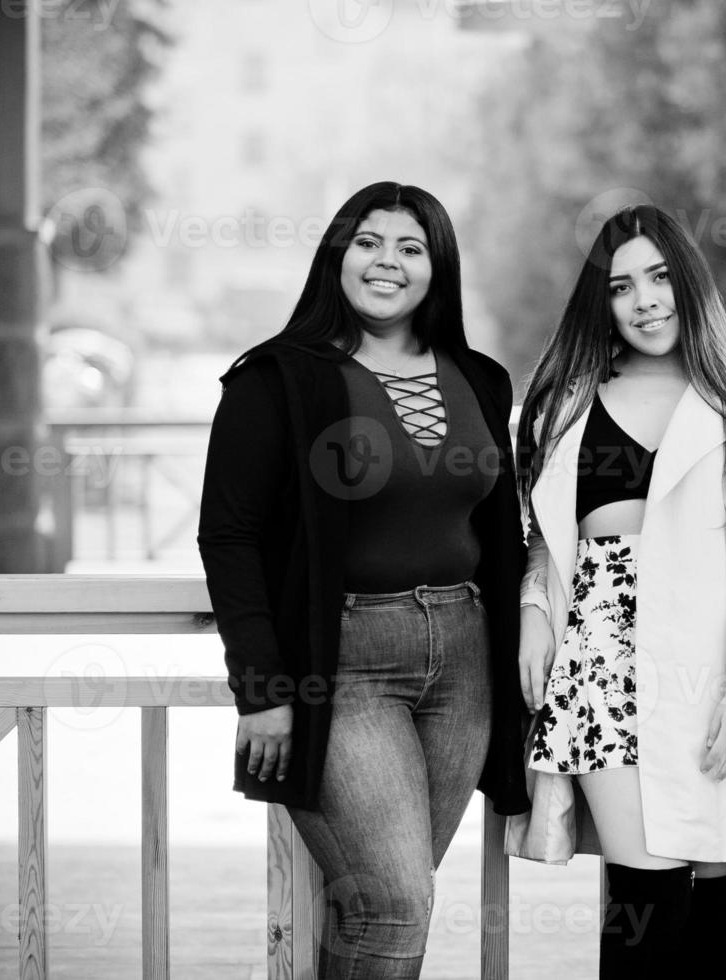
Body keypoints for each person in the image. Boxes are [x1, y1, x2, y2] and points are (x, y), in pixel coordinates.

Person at [197, 181, 528, 979]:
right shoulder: (277, 380)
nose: (388, 262)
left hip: (464, 660)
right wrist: (264, 690)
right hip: (341, 665)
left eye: (411, 248)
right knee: (393, 905)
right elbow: (229, 537)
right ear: (337, 257)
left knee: (384, 905)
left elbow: (502, 528)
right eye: (369, 242)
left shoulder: (479, 377)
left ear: (436, 268)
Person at [511, 204, 726, 978]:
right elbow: (543, 530)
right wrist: (535, 608)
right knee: (647, 887)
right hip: (599, 660)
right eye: (621, 286)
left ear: (689, 285)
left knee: (710, 883)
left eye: (659, 278)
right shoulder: (564, 401)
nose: (644, 300)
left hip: (710, 661)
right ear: (599, 302)